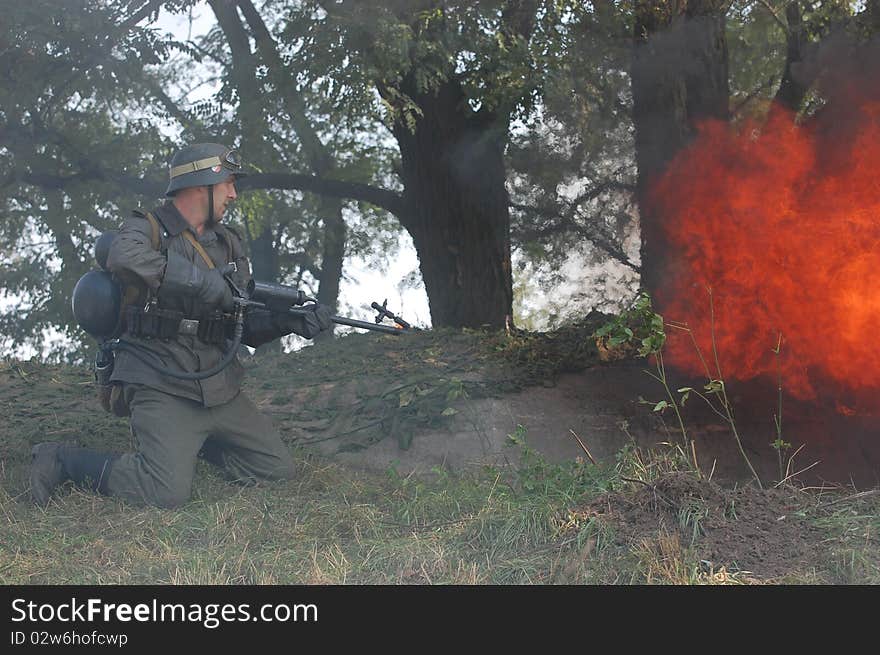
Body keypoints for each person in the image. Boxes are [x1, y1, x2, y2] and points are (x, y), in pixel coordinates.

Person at [30, 143, 333, 508]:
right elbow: (123, 256)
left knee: (276, 469)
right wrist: (204, 283)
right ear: (200, 186)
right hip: (159, 379)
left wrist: (287, 322)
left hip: (217, 384)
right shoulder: (147, 228)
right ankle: (62, 460)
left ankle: (189, 445)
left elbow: (243, 323)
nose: (234, 195)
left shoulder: (229, 243)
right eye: (228, 186)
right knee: (165, 492)